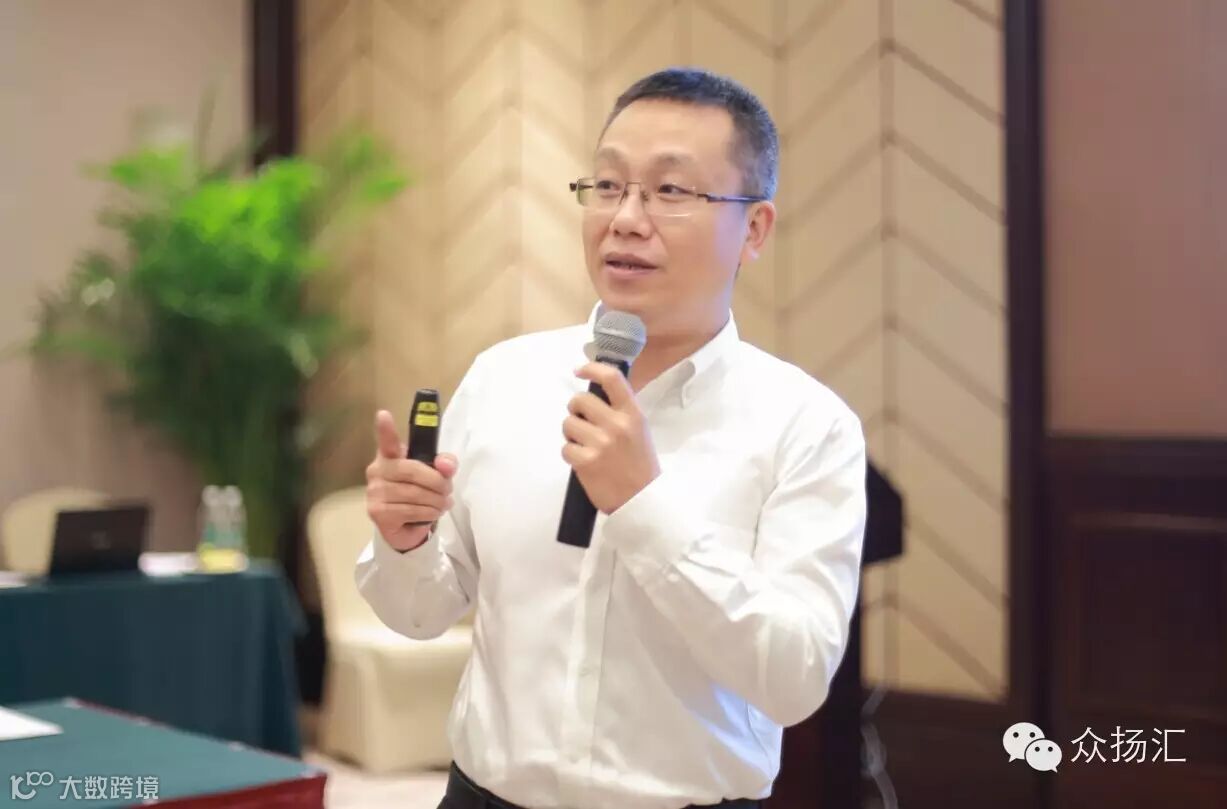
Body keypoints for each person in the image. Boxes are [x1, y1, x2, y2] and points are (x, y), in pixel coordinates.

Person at [356, 67, 866, 809]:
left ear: (753, 229)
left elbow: (793, 679)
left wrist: (642, 504)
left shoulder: (806, 425)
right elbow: (419, 613)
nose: (626, 218)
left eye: (671, 190)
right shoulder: (504, 378)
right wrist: (404, 542)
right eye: (607, 185)